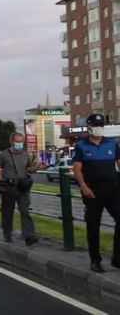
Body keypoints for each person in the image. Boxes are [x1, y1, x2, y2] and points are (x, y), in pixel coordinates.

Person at [73, 113, 120, 273]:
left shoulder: (112, 144)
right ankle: (95, 260)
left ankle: (117, 258)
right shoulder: (81, 146)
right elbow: (77, 169)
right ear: (89, 126)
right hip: (92, 191)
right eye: (95, 125)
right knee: (93, 226)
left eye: (101, 125)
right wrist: (84, 187)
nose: (99, 128)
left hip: (112, 190)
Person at [0, 132, 47, 245]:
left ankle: (29, 236)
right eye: (17, 141)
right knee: (7, 212)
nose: (19, 143)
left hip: (22, 187)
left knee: (24, 210)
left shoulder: (25, 155)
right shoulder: (4, 154)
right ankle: (7, 234)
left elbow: (28, 169)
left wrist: (38, 167)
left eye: (21, 141)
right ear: (12, 142)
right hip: (8, 187)